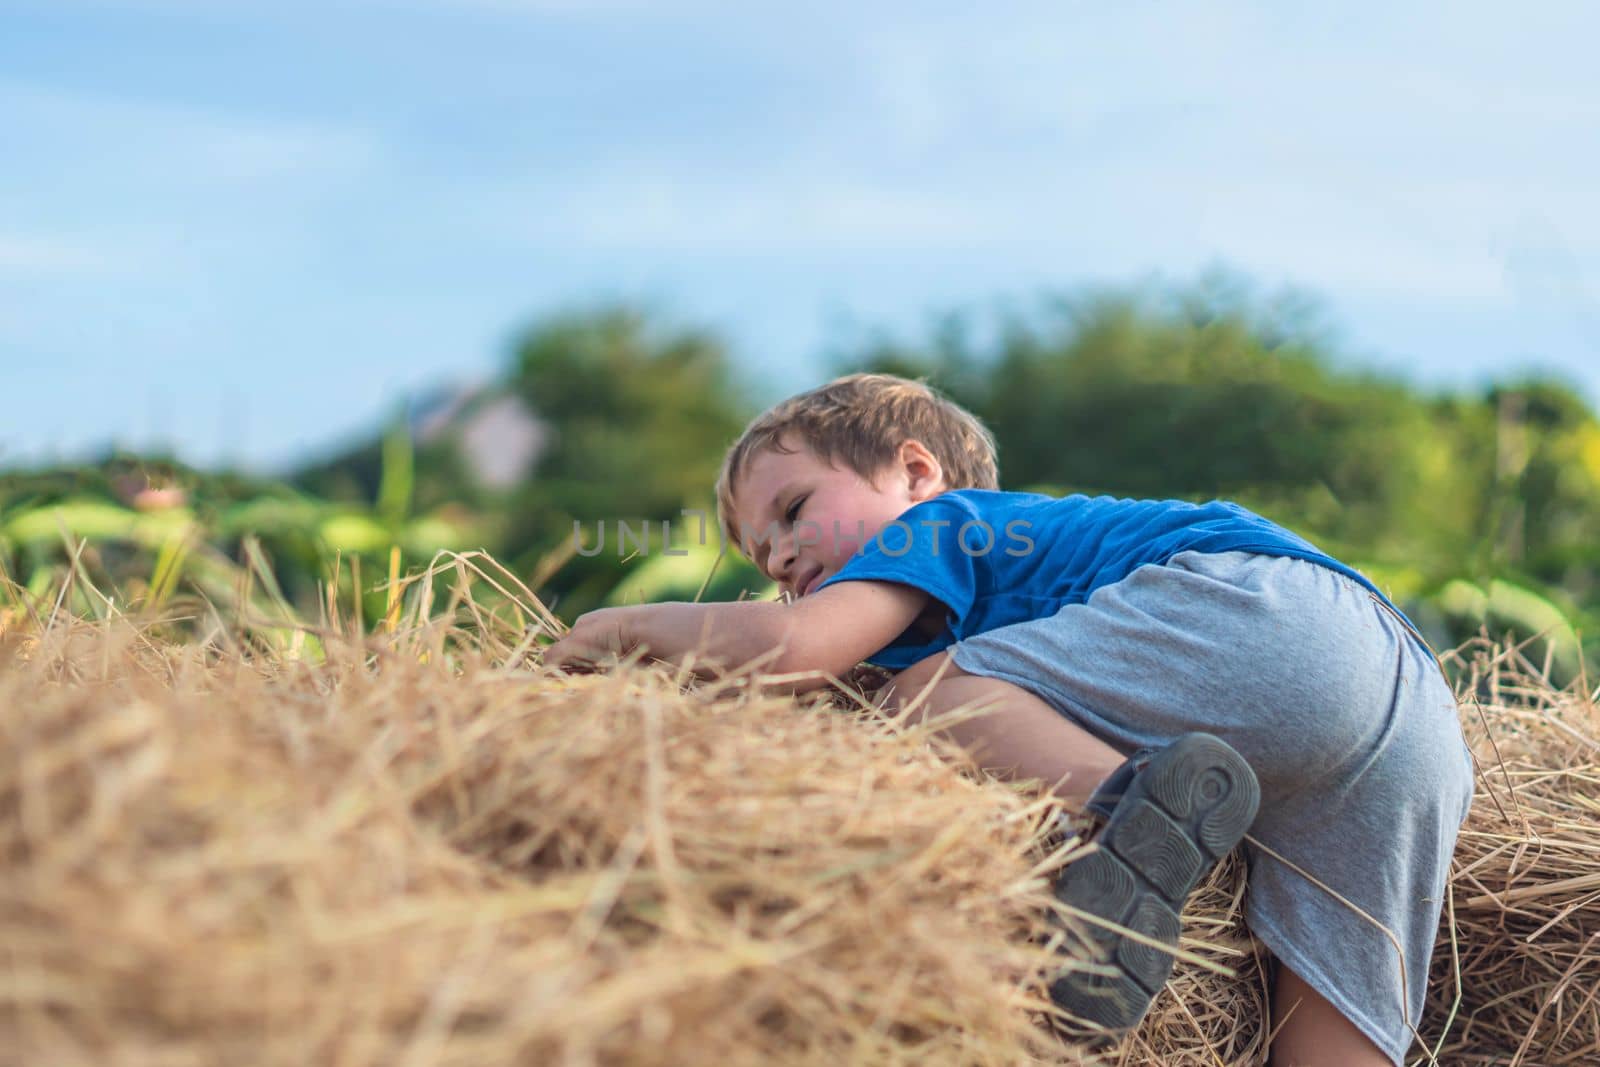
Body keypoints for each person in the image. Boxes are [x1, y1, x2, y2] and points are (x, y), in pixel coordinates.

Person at [545, 373, 1474, 1066]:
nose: (781, 557)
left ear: (915, 474)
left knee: (922, 698)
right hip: (1414, 712)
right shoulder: (981, 593)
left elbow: (795, 652)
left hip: (1260, 614)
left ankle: (1132, 819)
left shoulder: (944, 524)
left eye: (792, 512)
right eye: (760, 554)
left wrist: (622, 626)